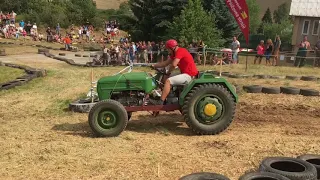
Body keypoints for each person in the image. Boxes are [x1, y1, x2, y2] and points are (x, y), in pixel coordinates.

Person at [150, 39, 199, 105]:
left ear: (172, 48)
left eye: (168, 49)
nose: (168, 51)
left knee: (168, 81)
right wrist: (154, 66)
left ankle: (160, 102)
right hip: (185, 74)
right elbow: (165, 63)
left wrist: (168, 73)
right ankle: (167, 96)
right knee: (164, 77)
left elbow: (173, 64)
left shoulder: (180, 51)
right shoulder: (174, 53)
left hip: (189, 75)